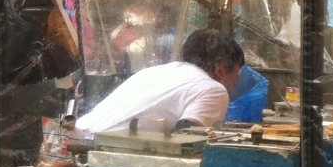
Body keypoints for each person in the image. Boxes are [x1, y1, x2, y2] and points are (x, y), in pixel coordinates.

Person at [75, 29, 244, 134]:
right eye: (237, 73)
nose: (237, 81)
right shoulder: (213, 89)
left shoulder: (153, 72)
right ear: (220, 70)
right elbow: (186, 140)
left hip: (77, 140)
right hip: (105, 155)